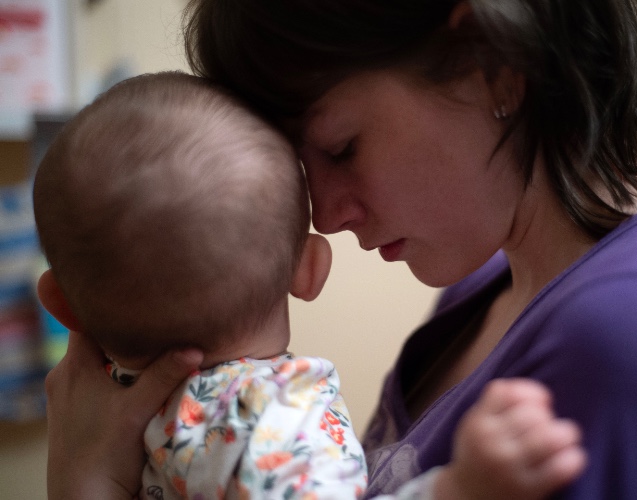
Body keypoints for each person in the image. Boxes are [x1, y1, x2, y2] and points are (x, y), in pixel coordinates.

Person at [44, 0, 637, 498]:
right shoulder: (491, 278)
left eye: (341, 146)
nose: (323, 217)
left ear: (489, 61)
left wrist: (85, 484)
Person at [35, 71, 586, 499]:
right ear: (310, 268)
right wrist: (458, 491)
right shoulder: (274, 418)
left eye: (344, 147)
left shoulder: (107, 422)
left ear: (60, 303)